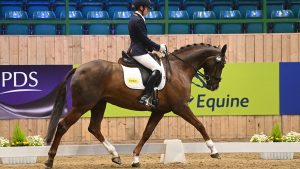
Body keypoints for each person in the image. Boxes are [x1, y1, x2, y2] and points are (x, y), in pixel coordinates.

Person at [128, 0, 167, 106]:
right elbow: (144, 39)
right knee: (157, 69)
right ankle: (146, 96)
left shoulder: (134, 18)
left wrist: (152, 48)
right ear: (141, 7)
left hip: (137, 49)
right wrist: (159, 47)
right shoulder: (138, 20)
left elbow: (142, 39)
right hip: (139, 51)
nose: (148, 10)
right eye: (147, 8)